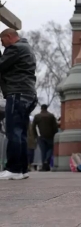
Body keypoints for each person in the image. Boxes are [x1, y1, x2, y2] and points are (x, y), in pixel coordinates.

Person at [0, 28, 37, 180]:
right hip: (27, 94)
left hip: (17, 93)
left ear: (9, 37)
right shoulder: (26, 48)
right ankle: (22, 169)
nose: (2, 46)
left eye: (2, 41)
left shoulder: (16, 48)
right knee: (20, 133)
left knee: (13, 131)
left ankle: (13, 169)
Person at [32, 104, 58, 172]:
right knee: (50, 149)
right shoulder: (51, 116)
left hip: (41, 136)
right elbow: (55, 127)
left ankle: (44, 166)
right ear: (46, 108)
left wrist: (35, 135)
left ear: (41, 108)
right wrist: (55, 134)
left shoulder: (37, 116)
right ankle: (47, 162)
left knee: (43, 151)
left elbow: (33, 127)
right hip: (50, 136)